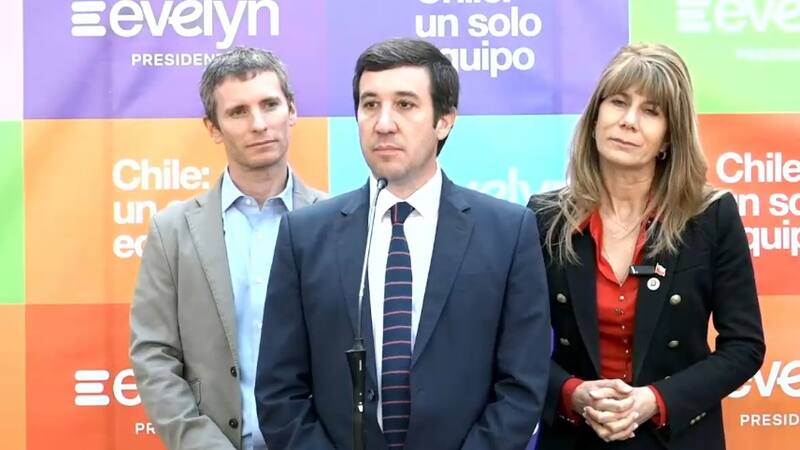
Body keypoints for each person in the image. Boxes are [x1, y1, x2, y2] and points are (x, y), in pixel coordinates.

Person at [255, 37, 551, 450]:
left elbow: (521, 386)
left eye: (405, 104)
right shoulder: (304, 235)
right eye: (370, 104)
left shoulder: (507, 232)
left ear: (444, 120)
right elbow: (279, 392)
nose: (383, 124)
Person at [528, 43, 765, 450]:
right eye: (618, 102)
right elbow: (511, 343)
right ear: (595, 116)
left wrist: (655, 400)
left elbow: (745, 346)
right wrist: (572, 394)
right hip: (575, 437)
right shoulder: (545, 217)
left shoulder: (711, 216)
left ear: (669, 137)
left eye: (651, 111)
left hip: (677, 438)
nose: (628, 121)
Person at [129, 47, 326, 450]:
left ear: (291, 110)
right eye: (238, 112)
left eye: (270, 105)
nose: (259, 124)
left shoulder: (337, 221)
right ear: (213, 127)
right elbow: (154, 355)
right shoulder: (173, 230)